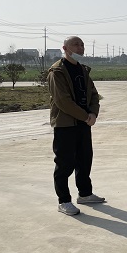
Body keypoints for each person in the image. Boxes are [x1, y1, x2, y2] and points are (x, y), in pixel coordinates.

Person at [47, 36, 105, 216]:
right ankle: (64, 200)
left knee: (85, 159)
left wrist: (93, 113)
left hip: (84, 123)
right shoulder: (57, 71)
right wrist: (85, 116)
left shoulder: (83, 70)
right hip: (65, 124)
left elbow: (94, 95)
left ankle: (85, 194)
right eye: (76, 45)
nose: (80, 48)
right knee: (65, 163)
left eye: (82, 45)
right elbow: (63, 101)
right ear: (65, 48)